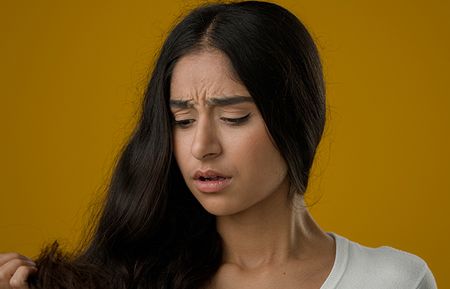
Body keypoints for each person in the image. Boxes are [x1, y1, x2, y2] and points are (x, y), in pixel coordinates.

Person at [0, 1, 437, 289]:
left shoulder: (392, 279)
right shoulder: (127, 278)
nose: (201, 146)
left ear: (296, 119)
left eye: (234, 117)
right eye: (183, 120)